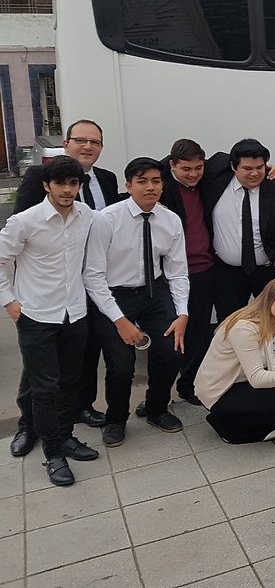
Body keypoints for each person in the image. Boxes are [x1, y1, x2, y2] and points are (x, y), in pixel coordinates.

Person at [15, 120, 121, 429]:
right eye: (81, 140)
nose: (88, 146)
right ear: (66, 143)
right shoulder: (39, 177)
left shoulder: (107, 179)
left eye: (95, 142)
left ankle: (80, 407)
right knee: (39, 363)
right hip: (48, 288)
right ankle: (29, 423)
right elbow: (20, 233)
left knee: (84, 352)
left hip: (93, 282)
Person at [1, 157, 98, 485]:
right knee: (44, 386)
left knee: (70, 380)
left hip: (75, 313)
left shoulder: (86, 216)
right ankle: (53, 452)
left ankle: (66, 435)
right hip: (36, 315)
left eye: (74, 184)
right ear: (47, 185)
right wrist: (10, 304)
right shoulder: (25, 222)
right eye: (61, 184)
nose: (68, 190)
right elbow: (1, 260)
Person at [83, 157, 190, 447]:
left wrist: (182, 314)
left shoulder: (170, 220)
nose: (150, 187)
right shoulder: (106, 219)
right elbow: (92, 275)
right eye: (142, 181)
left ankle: (156, 407)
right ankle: (116, 418)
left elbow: (178, 271)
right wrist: (120, 321)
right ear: (129, 186)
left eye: (156, 181)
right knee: (120, 364)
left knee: (171, 351)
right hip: (112, 295)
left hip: (153, 293)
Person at [195, 278, 275, 444]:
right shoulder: (245, 328)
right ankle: (226, 425)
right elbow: (257, 378)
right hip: (223, 388)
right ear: (268, 298)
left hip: (246, 379)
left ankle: (268, 424)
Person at [203, 139, 275, 321]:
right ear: (233, 166)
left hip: (268, 272)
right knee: (229, 323)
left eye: (260, 167)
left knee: (274, 322)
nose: (255, 173)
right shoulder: (215, 180)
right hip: (227, 274)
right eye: (247, 168)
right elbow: (178, 160)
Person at [158, 139, 215, 407]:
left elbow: (228, 157)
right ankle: (157, 395)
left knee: (199, 332)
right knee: (170, 334)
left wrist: (271, 167)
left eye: (199, 168)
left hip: (204, 271)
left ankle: (189, 384)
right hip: (171, 275)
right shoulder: (162, 186)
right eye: (186, 169)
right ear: (171, 165)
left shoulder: (206, 181)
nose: (193, 174)